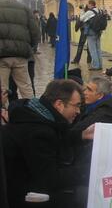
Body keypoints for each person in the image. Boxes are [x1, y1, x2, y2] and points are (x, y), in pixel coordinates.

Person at [2, 79, 94, 208]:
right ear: (59, 104)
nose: (78, 111)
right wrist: (89, 171)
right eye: (77, 105)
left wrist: (81, 135)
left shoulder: (38, 113)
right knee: (84, 196)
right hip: (24, 195)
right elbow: (50, 179)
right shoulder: (37, 132)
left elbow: (56, 136)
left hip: (26, 185)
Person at [0, 0, 39, 99]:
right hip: (20, 55)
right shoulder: (24, 9)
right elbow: (35, 32)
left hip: (1, 55)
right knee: (26, 87)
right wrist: (30, 47)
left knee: (2, 89)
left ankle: (5, 114)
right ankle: (32, 112)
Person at [80, 0, 102, 70]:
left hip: (91, 32)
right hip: (98, 32)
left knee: (93, 50)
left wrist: (82, 10)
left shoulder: (90, 12)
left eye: (88, 4)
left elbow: (81, 19)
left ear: (91, 4)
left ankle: (95, 65)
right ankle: (100, 65)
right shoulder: (99, 10)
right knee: (98, 49)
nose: (87, 5)